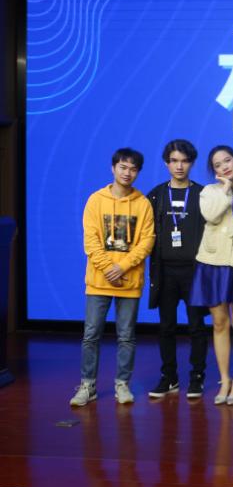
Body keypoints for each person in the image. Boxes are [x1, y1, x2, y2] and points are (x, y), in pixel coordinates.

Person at [71, 148, 156, 407]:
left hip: (129, 282)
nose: (127, 173)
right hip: (99, 281)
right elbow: (91, 241)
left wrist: (123, 267)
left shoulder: (143, 204)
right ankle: (88, 385)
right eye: (123, 167)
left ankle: (122, 384)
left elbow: (147, 241)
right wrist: (110, 269)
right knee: (91, 335)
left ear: (138, 172)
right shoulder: (95, 200)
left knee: (126, 336)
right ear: (113, 168)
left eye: (133, 169)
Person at [187, 145, 233, 406]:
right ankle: (224, 380)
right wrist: (226, 189)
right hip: (212, 262)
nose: (224, 167)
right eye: (217, 165)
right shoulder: (210, 191)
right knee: (219, 323)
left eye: (227, 160)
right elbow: (211, 215)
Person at [146, 140, 209, 400]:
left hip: (194, 272)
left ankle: (197, 377)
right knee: (166, 327)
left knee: (196, 326)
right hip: (165, 271)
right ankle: (169, 376)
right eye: (174, 161)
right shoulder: (156, 195)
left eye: (184, 161)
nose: (179, 166)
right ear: (166, 163)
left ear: (191, 163)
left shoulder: (203, 194)